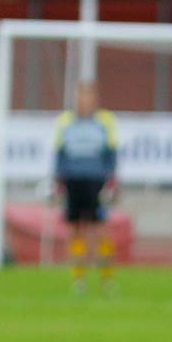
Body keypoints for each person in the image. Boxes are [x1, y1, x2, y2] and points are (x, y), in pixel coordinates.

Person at [52, 81, 119, 294]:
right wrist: (57, 180)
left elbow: (111, 153)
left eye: (88, 97)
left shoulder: (104, 121)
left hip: (95, 181)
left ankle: (106, 280)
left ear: (95, 100)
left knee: (100, 230)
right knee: (76, 230)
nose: (84, 102)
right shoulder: (65, 122)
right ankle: (78, 280)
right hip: (73, 181)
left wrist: (111, 180)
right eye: (80, 97)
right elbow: (59, 154)